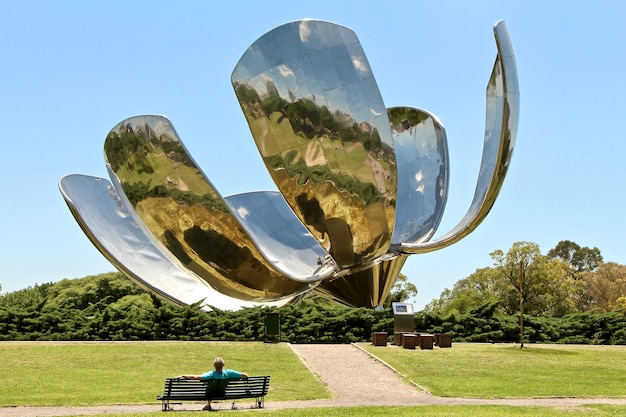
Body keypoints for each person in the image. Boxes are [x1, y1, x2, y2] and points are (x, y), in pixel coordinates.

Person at [179, 357, 248, 411]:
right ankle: (208, 404)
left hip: (210, 394)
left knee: (211, 388)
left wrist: (184, 375)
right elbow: (244, 375)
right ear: (223, 365)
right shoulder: (228, 373)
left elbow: (197, 377)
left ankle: (208, 404)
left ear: (214, 365)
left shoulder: (211, 374)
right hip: (222, 393)